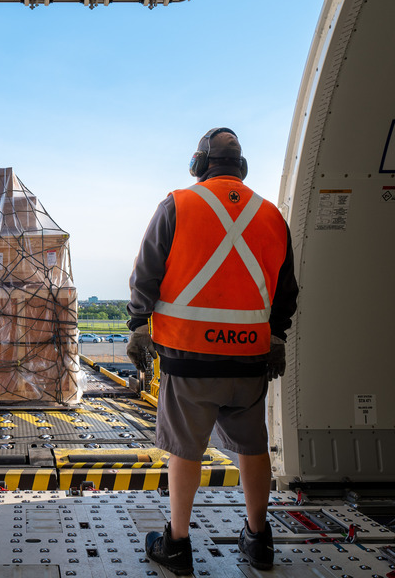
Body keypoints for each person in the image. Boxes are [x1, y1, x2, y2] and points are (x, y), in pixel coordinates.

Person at [126, 128, 298, 574]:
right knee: (251, 446)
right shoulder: (272, 216)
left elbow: (146, 271)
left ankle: (178, 544)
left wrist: (138, 326)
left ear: (200, 164)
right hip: (249, 357)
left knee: (185, 449)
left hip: (189, 358)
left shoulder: (178, 205)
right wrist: (276, 336)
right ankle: (259, 540)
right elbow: (285, 290)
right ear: (240, 168)